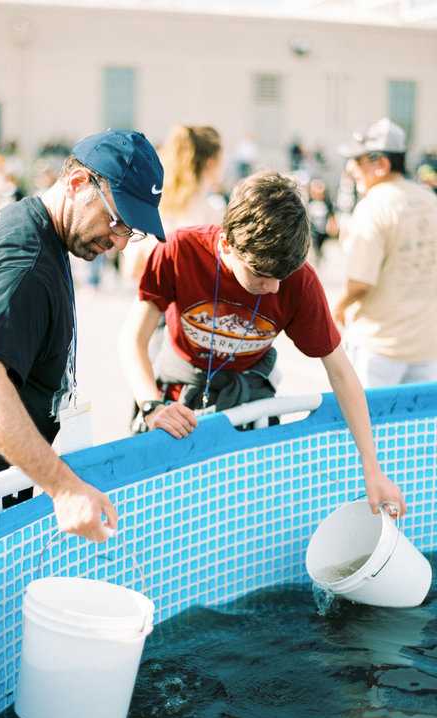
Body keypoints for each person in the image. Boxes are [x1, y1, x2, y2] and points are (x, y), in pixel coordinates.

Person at [0, 129, 167, 542]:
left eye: (132, 231)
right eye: (117, 221)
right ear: (78, 183)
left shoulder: (30, 220)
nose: (117, 241)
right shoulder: (26, 265)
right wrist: (63, 487)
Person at [117, 170, 406, 518]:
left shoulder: (299, 281)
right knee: (169, 503)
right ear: (226, 245)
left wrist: (372, 470)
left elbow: (342, 373)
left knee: (244, 505)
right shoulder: (179, 249)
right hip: (178, 386)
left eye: (281, 277)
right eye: (260, 275)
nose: (274, 289)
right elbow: (133, 339)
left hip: (249, 390)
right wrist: (151, 405)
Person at [331, 118, 437, 388]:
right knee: (415, 428)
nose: (350, 167)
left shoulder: (374, 206)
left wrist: (338, 309)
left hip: (379, 346)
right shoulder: (430, 200)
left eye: (358, 160)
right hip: (426, 345)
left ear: (382, 165)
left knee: (370, 424)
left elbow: (360, 284)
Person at [121, 124, 225, 279]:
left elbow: (132, 269)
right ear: (211, 162)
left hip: (152, 298)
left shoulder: (150, 205)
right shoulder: (214, 210)